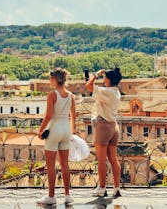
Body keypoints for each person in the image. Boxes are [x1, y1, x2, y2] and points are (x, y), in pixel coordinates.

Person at [36, 68, 76, 205]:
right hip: (66, 129)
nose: (49, 81)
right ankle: (67, 195)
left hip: (54, 130)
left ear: (54, 79)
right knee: (65, 165)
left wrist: (40, 130)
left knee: (51, 165)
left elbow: (48, 115)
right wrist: (72, 132)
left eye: (50, 78)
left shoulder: (52, 94)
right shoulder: (71, 95)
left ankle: (51, 196)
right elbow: (74, 116)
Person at [85, 68, 122, 197]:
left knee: (101, 160)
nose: (103, 79)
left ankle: (101, 188)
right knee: (113, 158)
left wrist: (95, 75)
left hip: (103, 126)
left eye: (105, 77)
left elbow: (88, 86)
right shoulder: (116, 92)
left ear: (109, 79)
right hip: (114, 126)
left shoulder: (107, 92)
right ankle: (117, 188)